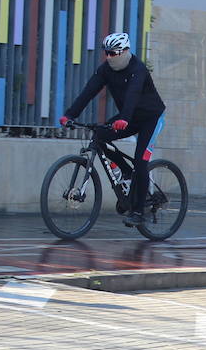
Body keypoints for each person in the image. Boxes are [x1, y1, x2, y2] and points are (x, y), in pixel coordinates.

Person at [60, 32, 166, 225]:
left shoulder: (138, 69)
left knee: (142, 161)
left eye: (113, 53)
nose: (109, 57)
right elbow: (88, 92)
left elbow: (133, 95)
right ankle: (127, 172)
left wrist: (124, 118)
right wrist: (70, 115)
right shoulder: (105, 70)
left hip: (151, 117)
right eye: (106, 53)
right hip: (129, 117)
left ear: (125, 51)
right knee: (99, 135)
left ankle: (139, 213)